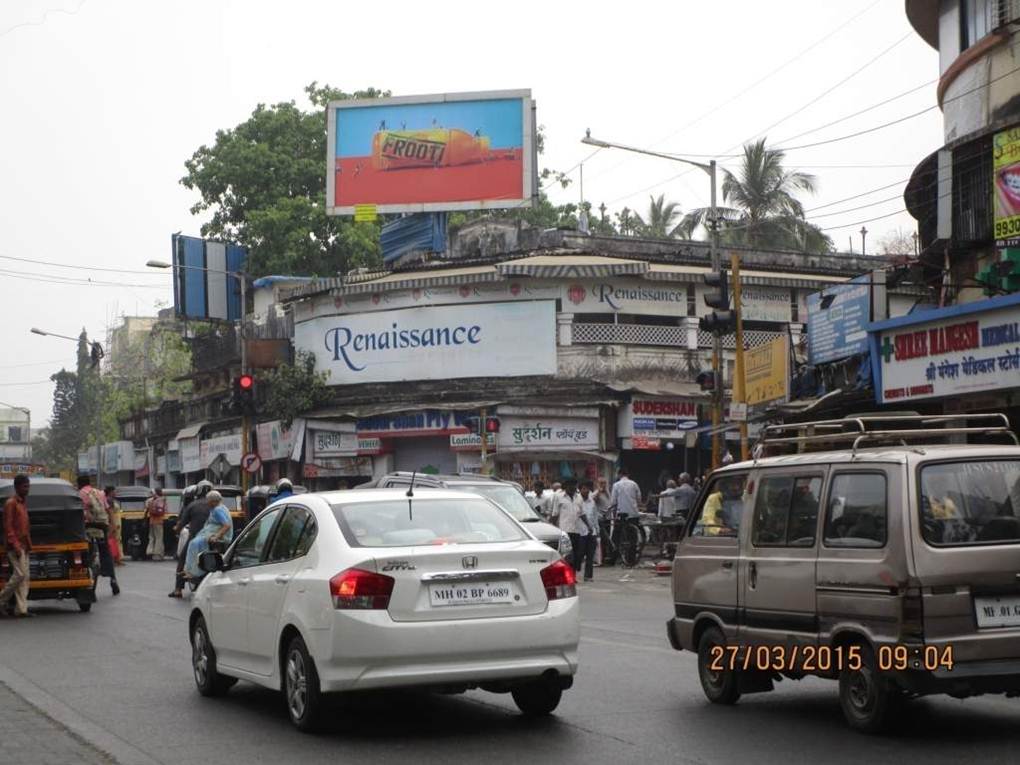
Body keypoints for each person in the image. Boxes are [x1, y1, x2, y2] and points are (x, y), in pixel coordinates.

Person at [169, 480, 212, 598]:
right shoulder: (217, 505)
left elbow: (181, 524)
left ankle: (178, 589)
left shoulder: (192, 505)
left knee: (182, 560)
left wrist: (176, 530)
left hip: (195, 539)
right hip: (213, 540)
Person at [78, 476, 119, 596]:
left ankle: (90, 580)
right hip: (102, 527)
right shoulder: (99, 493)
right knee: (106, 553)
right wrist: (112, 526)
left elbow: (81, 513)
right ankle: (113, 579)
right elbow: (108, 510)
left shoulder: (80, 493)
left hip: (89, 528)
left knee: (88, 555)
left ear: (79, 484)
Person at [0, 474, 33, 617]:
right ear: (17, 487)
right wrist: (16, 546)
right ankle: (1, 600)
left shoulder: (22, 503)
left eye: (28, 486)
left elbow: (25, 527)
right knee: (19, 575)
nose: (27, 489)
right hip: (16, 546)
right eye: (25, 486)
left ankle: (21, 609)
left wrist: (27, 545)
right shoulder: (11, 503)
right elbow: (8, 528)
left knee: (24, 578)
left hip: (24, 545)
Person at [185, 490, 234, 580]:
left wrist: (217, 536)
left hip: (216, 535)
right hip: (211, 533)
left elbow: (226, 525)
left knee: (194, 544)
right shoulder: (221, 508)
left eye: (208, 500)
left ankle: (194, 571)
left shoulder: (217, 510)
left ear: (213, 501)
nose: (207, 502)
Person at [554, 479, 583, 572]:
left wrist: (589, 526)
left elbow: (582, 513)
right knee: (566, 555)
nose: (573, 488)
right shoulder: (559, 497)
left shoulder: (579, 497)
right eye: (571, 486)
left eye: (574, 486)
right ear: (566, 487)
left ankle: (573, 574)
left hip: (577, 530)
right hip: (564, 531)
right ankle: (565, 574)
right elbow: (555, 514)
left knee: (576, 555)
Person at [576, 481, 598, 581]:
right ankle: (575, 571)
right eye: (584, 488)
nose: (586, 491)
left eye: (588, 488)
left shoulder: (592, 502)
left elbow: (594, 517)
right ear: (580, 489)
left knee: (590, 554)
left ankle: (588, 576)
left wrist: (596, 530)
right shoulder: (576, 500)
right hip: (579, 532)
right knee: (579, 553)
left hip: (591, 532)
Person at [144, 487, 167, 561]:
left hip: (151, 521)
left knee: (151, 537)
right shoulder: (161, 500)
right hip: (159, 521)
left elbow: (146, 510)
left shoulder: (150, 500)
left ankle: (149, 551)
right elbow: (162, 511)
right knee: (159, 538)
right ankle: (157, 555)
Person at [104, 485, 123, 566]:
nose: (115, 493)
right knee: (114, 541)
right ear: (110, 492)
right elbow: (110, 513)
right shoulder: (109, 500)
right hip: (113, 523)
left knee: (117, 541)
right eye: (114, 491)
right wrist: (113, 525)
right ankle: (115, 559)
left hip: (116, 522)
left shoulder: (112, 500)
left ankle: (117, 558)